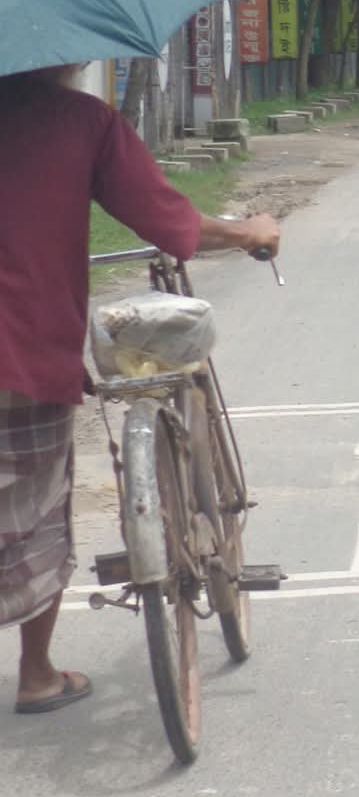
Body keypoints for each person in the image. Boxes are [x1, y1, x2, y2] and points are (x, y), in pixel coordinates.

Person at [0, 64, 279, 715]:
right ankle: (36, 673)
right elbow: (163, 218)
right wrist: (249, 231)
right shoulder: (79, 121)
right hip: (22, 354)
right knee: (34, 513)